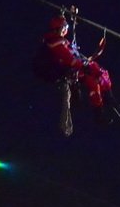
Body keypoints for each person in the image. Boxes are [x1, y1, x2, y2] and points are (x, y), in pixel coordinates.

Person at [33, 8, 85, 136]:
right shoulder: (54, 42)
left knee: (72, 85)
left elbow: (70, 55)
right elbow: (67, 58)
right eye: (63, 27)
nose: (65, 30)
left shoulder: (57, 41)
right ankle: (65, 126)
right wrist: (80, 64)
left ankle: (77, 99)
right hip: (52, 72)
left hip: (55, 72)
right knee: (67, 93)